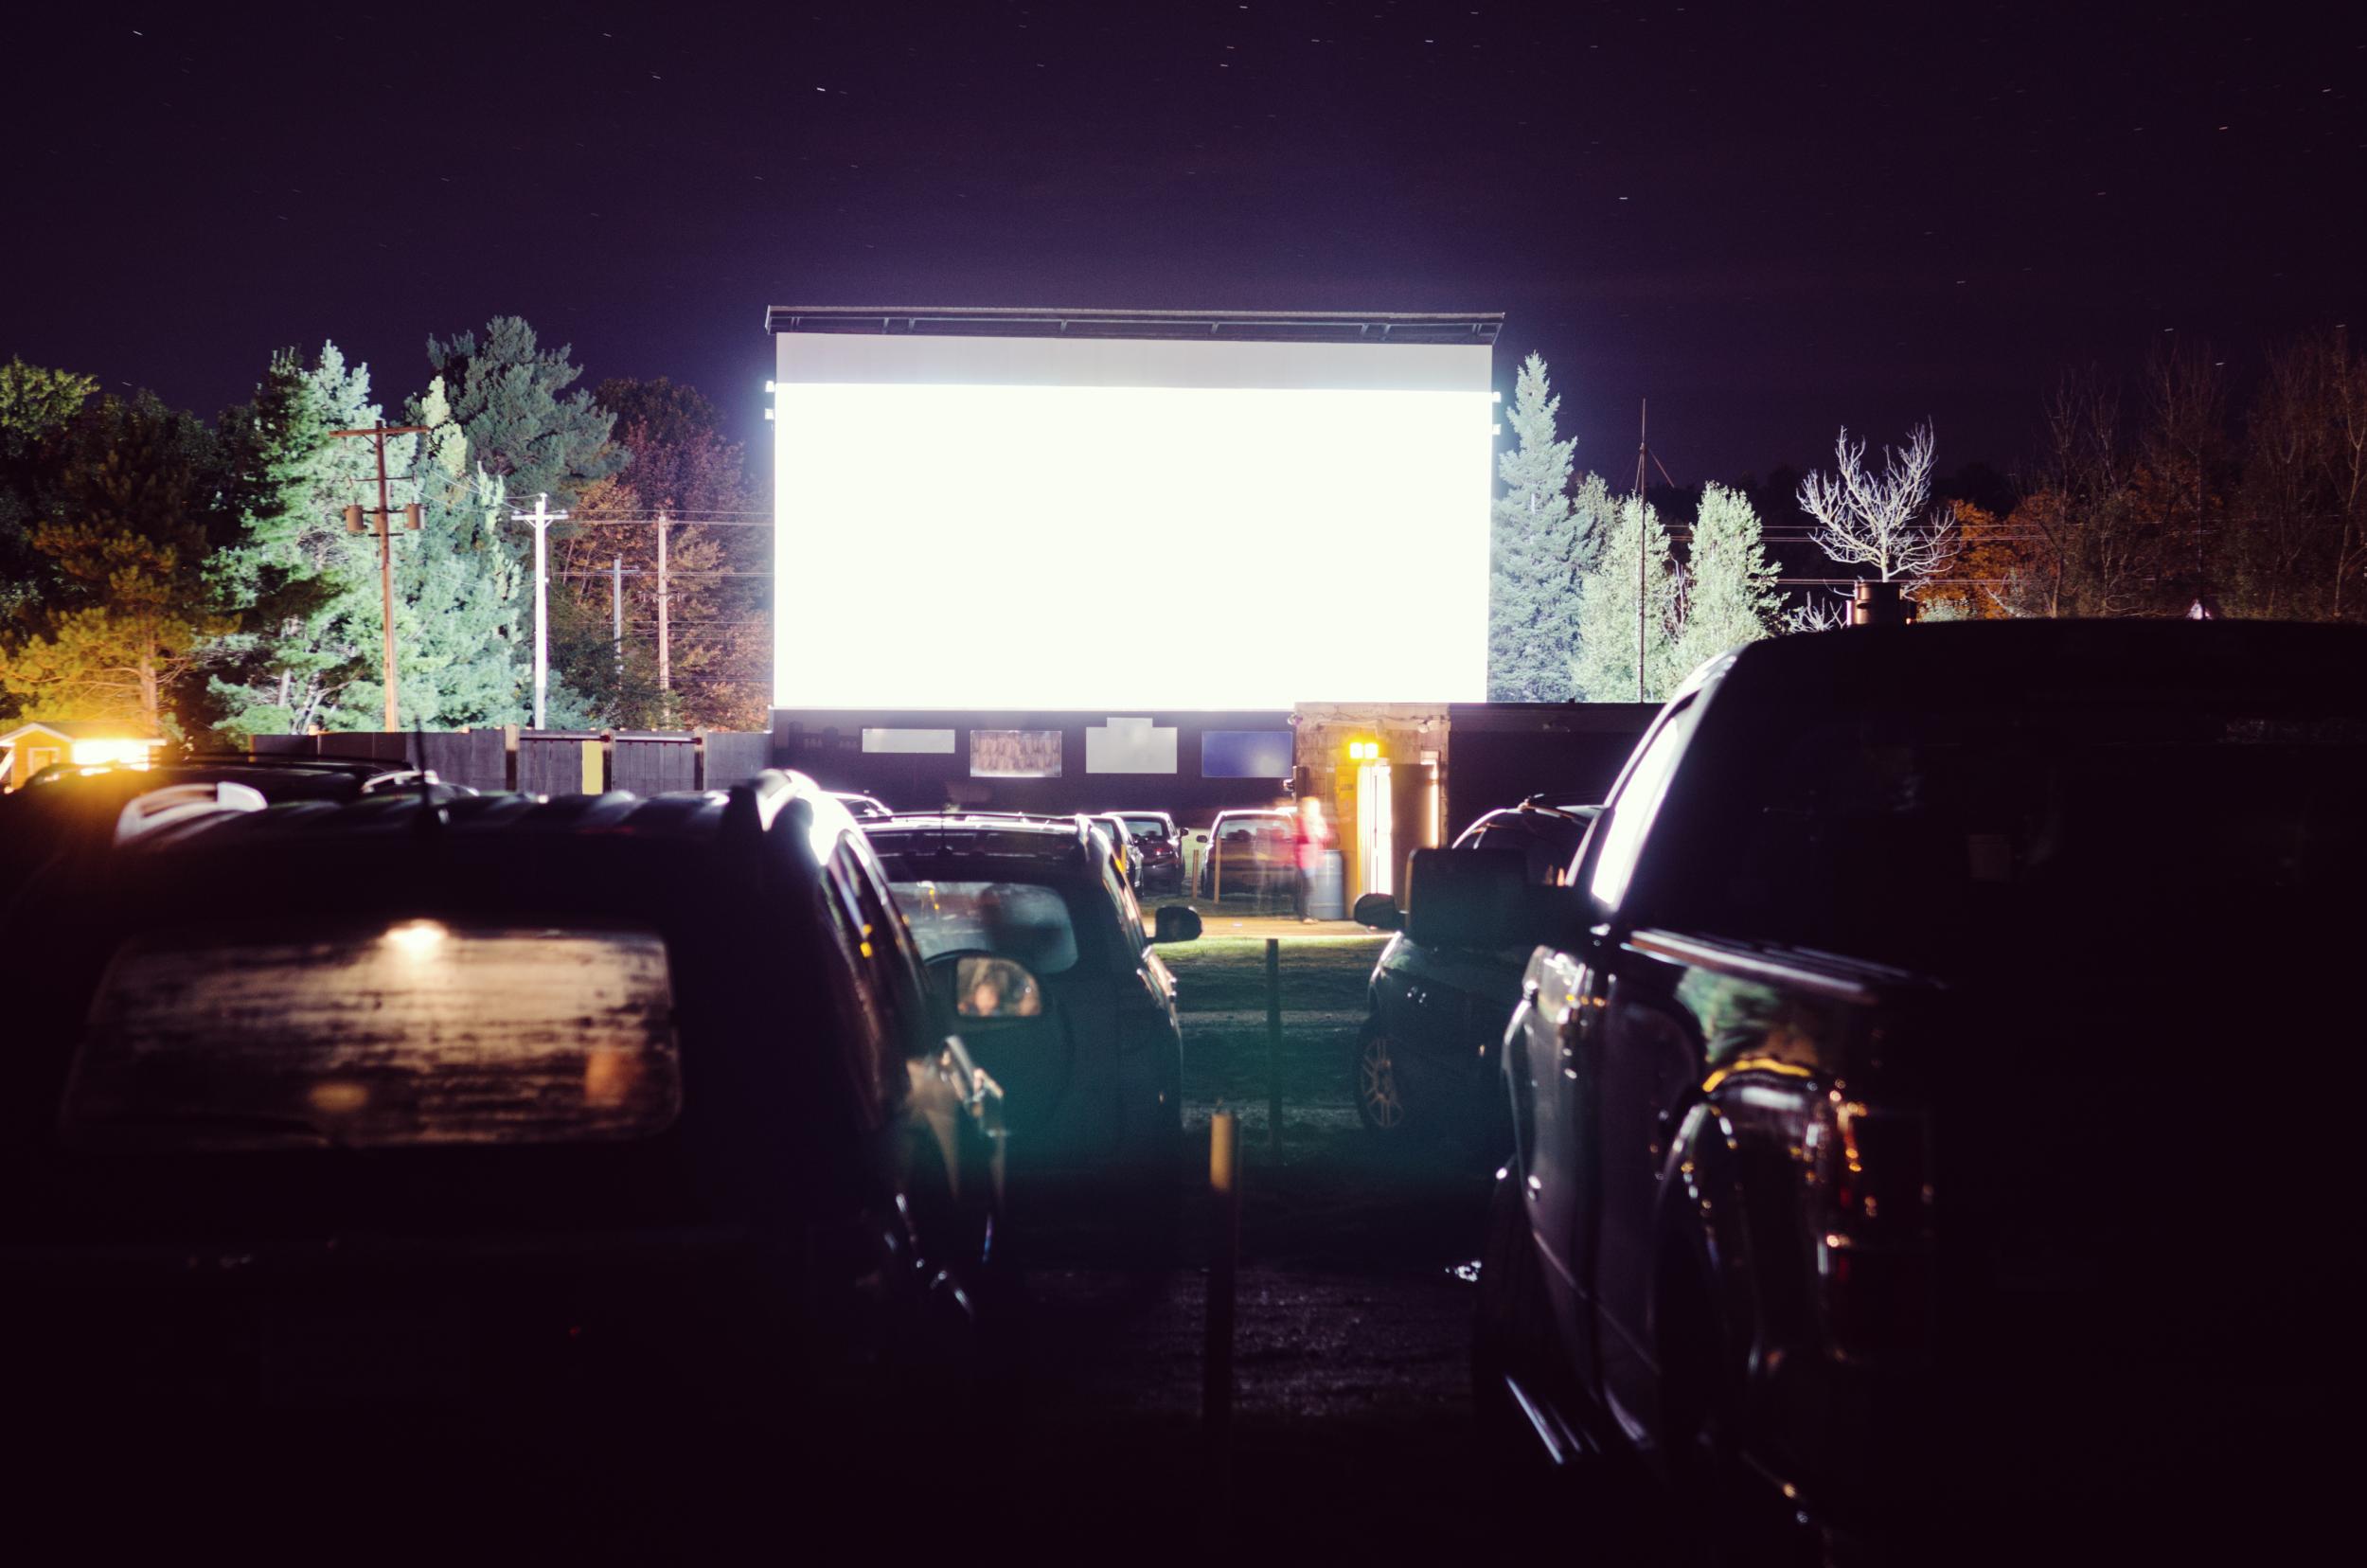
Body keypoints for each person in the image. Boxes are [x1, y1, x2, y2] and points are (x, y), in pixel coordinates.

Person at [1292, 797, 1330, 922]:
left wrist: (1320, 830)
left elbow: (1326, 836)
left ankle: (1303, 913)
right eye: (1315, 807)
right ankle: (1305, 915)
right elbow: (1310, 837)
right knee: (1310, 886)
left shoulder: (1317, 820)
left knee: (1307, 886)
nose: (1317, 809)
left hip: (1313, 857)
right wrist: (1318, 832)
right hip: (1305, 858)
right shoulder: (1302, 820)